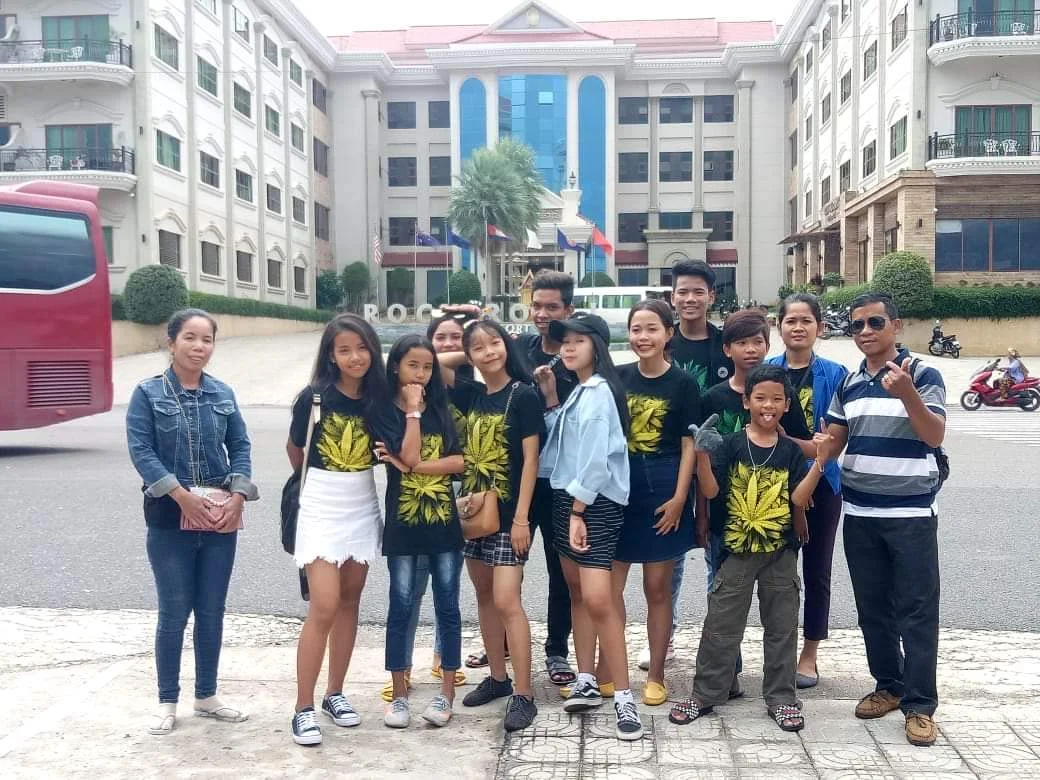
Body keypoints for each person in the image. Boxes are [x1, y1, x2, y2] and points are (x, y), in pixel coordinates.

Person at [669, 365, 826, 732]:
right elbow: (711, 492)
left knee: (782, 627)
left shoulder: (790, 451)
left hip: (780, 553)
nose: (768, 406)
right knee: (721, 624)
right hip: (735, 552)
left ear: (787, 405)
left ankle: (782, 697)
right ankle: (706, 693)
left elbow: (797, 498)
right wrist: (702, 456)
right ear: (746, 402)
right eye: (760, 398)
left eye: (776, 399)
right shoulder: (731, 444)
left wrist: (820, 461)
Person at [821, 292, 945, 748]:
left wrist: (908, 393)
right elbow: (833, 442)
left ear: (896, 325)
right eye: (857, 325)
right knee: (873, 608)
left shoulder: (922, 374)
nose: (866, 332)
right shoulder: (850, 382)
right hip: (860, 512)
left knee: (917, 610)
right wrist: (796, 442)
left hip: (911, 513)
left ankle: (920, 705)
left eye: (875, 322)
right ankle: (889, 686)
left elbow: (934, 434)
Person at [126, 308, 258, 736]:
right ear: (171, 342)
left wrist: (238, 495)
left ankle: (206, 695)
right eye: (190, 337)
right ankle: (167, 700)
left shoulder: (222, 393)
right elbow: (142, 451)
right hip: (169, 518)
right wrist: (181, 495)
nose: (199, 347)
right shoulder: (148, 393)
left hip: (218, 517)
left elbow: (240, 446)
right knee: (174, 612)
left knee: (212, 611)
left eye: (207, 339)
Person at [536, 312, 643, 741]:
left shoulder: (598, 393)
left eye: (578, 340)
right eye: (564, 341)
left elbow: (597, 462)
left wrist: (578, 512)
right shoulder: (581, 391)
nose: (568, 347)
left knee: (598, 599)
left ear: (596, 347)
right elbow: (563, 446)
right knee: (578, 593)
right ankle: (585, 680)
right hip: (568, 499)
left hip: (591, 504)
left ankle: (624, 697)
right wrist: (550, 397)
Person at [697, 309, 813, 696]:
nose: (750, 349)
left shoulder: (783, 415)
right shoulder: (719, 412)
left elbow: (801, 468)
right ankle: (716, 685)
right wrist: (701, 511)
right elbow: (708, 481)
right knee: (723, 611)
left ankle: (780, 695)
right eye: (742, 342)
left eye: (758, 341)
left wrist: (814, 455)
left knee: (780, 619)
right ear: (746, 401)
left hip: (779, 538)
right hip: (730, 534)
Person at [288, 314, 388, 746]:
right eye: (344, 349)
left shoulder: (380, 398)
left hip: (361, 502)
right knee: (324, 605)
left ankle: (335, 693)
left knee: (349, 601)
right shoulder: (313, 397)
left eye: (362, 347)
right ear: (330, 355)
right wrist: (322, 483)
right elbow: (296, 450)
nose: (355, 357)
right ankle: (302, 707)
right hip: (321, 504)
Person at [441, 318, 543, 732]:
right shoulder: (472, 394)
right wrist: (468, 347)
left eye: (495, 343)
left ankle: (524, 693)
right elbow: (434, 362)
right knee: (484, 596)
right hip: (473, 512)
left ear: (507, 345)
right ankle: (498, 678)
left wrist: (521, 519)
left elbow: (531, 461)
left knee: (506, 600)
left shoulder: (524, 395)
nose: (489, 352)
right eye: (479, 348)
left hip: (510, 514)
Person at [639, 260, 734, 672]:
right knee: (669, 557)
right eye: (682, 292)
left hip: (718, 466)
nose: (690, 299)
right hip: (671, 466)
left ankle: (720, 647)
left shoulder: (726, 343)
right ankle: (666, 637)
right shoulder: (662, 341)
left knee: (718, 557)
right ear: (671, 297)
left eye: (698, 291)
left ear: (711, 296)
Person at [379, 316, 473, 704]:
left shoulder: (442, 408)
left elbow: (459, 462)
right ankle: (400, 689)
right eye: (412, 365)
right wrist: (412, 413)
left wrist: (410, 466)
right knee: (401, 605)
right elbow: (410, 452)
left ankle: (446, 693)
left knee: (448, 606)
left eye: (428, 367)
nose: (420, 374)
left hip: (444, 526)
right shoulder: (384, 411)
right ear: (395, 367)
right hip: (402, 527)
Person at [615, 299, 699, 706]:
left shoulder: (684, 383)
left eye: (652, 329)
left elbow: (689, 445)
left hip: (664, 485)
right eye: (636, 329)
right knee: (608, 588)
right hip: (619, 488)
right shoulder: (617, 377)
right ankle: (609, 670)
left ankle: (657, 675)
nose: (643, 337)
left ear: (669, 333)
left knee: (657, 588)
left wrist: (681, 497)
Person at [766, 293, 848, 688]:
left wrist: (809, 450)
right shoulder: (766, 371)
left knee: (817, 571)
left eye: (806, 321)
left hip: (823, 484)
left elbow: (832, 446)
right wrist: (810, 446)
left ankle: (810, 652)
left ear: (820, 327)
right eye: (790, 321)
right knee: (777, 574)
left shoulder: (836, 374)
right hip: (772, 486)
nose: (798, 328)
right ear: (778, 326)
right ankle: (777, 650)